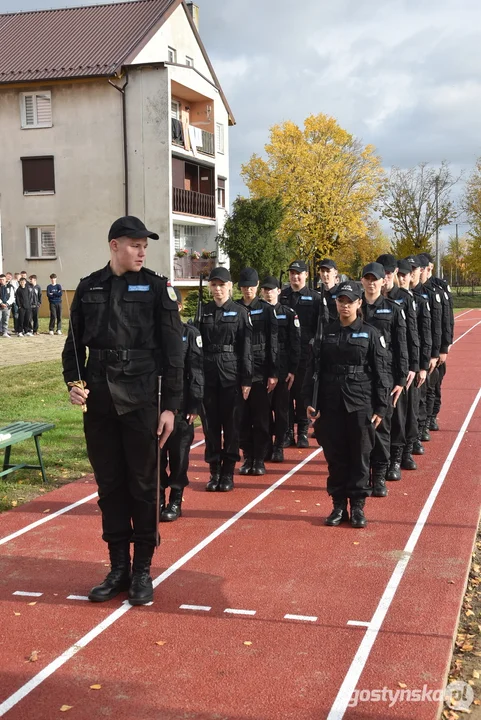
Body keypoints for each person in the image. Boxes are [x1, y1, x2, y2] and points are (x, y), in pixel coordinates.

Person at [62, 215, 184, 606]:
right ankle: (118, 567)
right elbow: (74, 345)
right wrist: (73, 383)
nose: (142, 250)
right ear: (114, 245)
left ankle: (143, 569)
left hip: (141, 399)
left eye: (145, 244)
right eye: (134, 243)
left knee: (145, 487)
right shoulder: (89, 287)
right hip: (99, 401)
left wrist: (171, 408)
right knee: (110, 486)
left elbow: (174, 353)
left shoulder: (156, 289)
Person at [304, 281, 390, 528]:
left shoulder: (371, 333)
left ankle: (359, 507)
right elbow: (313, 370)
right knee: (336, 457)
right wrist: (311, 401)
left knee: (360, 457)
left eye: (350, 301)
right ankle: (339, 505)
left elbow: (381, 373)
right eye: (341, 301)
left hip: (360, 403)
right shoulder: (326, 333)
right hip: (331, 404)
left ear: (359, 303)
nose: (345, 305)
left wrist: (381, 407)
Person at [198, 266, 252, 492]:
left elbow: (246, 347)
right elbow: (197, 345)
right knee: (210, 426)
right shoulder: (204, 312)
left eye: (222, 285)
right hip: (207, 375)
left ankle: (228, 471)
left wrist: (247, 379)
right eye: (214, 285)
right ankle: (214, 471)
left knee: (231, 425)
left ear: (230, 286)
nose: (218, 289)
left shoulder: (240, 312)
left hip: (231, 375)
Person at [361, 262, 408, 497]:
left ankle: (378, 477)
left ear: (383, 282)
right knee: (359, 429)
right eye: (367, 278)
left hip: (384, 377)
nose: (371, 282)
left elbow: (401, 345)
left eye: (375, 279)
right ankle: (361, 476)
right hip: (358, 378)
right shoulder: (353, 306)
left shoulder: (393, 309)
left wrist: (400, 379)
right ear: (362, 281)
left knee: (381, 427)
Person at [159, 287, 204, 522]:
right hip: (154, 406)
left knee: (178, 456)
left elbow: (196, 371)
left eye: (172, 305)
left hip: (181, 406)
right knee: (155, 458)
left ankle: (175, 500)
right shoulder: (150, 335)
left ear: (179, 307)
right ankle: (157, 499)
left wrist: (195, 405)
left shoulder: (189, 333)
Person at [377, 254, 420, 481]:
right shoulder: (368, 301)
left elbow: (411, 335)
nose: (384, 277)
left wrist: (413, 367)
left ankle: (396, 458)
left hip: (397, 367)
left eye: (388, 273)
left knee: (398, 415)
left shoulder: (403, 298)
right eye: (381, 272)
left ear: (393, 274)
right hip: (375, 370)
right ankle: (380, 461)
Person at [236, 267, 278, 476]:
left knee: (261, 419)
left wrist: (273, 372)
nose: (247, 290)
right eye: (244, 286)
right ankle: (248, 456)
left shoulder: (266, 309)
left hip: (261, 371)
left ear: (257, 286)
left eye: (251, 286)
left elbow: (273, 342)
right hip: (239, 372)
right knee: (242, 419)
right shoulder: (234, 309)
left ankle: (260, 459)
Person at [280, 260, 325, 448]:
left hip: (307, 354)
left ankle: (303, 433)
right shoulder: (282, 296)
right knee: (286, 395)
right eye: (292, 273)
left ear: (306, 275)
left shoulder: (315, 298)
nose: (294, 276)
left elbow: (321, 327)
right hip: (286, 354)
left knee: (302, 393)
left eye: (298, 273)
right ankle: (288, 432)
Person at [260, 275, 301, 462]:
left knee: (282, 409)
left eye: (271, 289)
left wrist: (293, 369)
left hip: (283, 368)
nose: (268, 293)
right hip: (263, 367)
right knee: (264, 410)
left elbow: (295, 343)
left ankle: (279, 446)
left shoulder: (288, 313)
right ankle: (266, 444)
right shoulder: (257, 313)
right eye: (265, 289)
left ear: (278, 291)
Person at [398, 258, 431, 466]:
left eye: (405, 274)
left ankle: (410, 446)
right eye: (399, 274)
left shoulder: (419, 301)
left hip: (413, 362)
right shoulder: (388, 303)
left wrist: (422, 365)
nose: (402, 278)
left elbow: (422, 335)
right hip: (396, 365)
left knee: (413, 407)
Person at [418, 252, 454, 431]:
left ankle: (431, 417)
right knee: (424, 388)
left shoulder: (438, 289)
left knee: (434, 384)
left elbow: (445, 320)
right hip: (422, 347)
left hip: (435, 346)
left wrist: (444, 347)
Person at [417, 254, 443, 444]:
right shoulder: (408, 296)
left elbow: (440, 323)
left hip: (431, 349)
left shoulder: (435, 291)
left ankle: (428, 420)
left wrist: (440, 350)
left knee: (432, 387)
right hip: (416, 351)